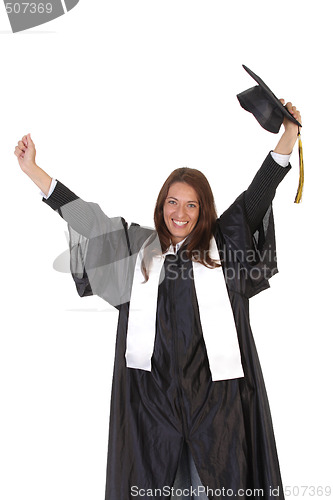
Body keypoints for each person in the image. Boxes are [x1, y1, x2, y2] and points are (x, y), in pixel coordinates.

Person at [14, 100, 301, 500]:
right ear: (161, 205)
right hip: (152, 404)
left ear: (203, 210)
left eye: (190, 204)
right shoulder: (138, 251)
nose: (179, 213)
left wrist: (288, 136)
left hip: (220, 405)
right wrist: (34, 173)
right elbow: (88, 221)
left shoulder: (224, 246)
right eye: (172, 202)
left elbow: (258, 195)